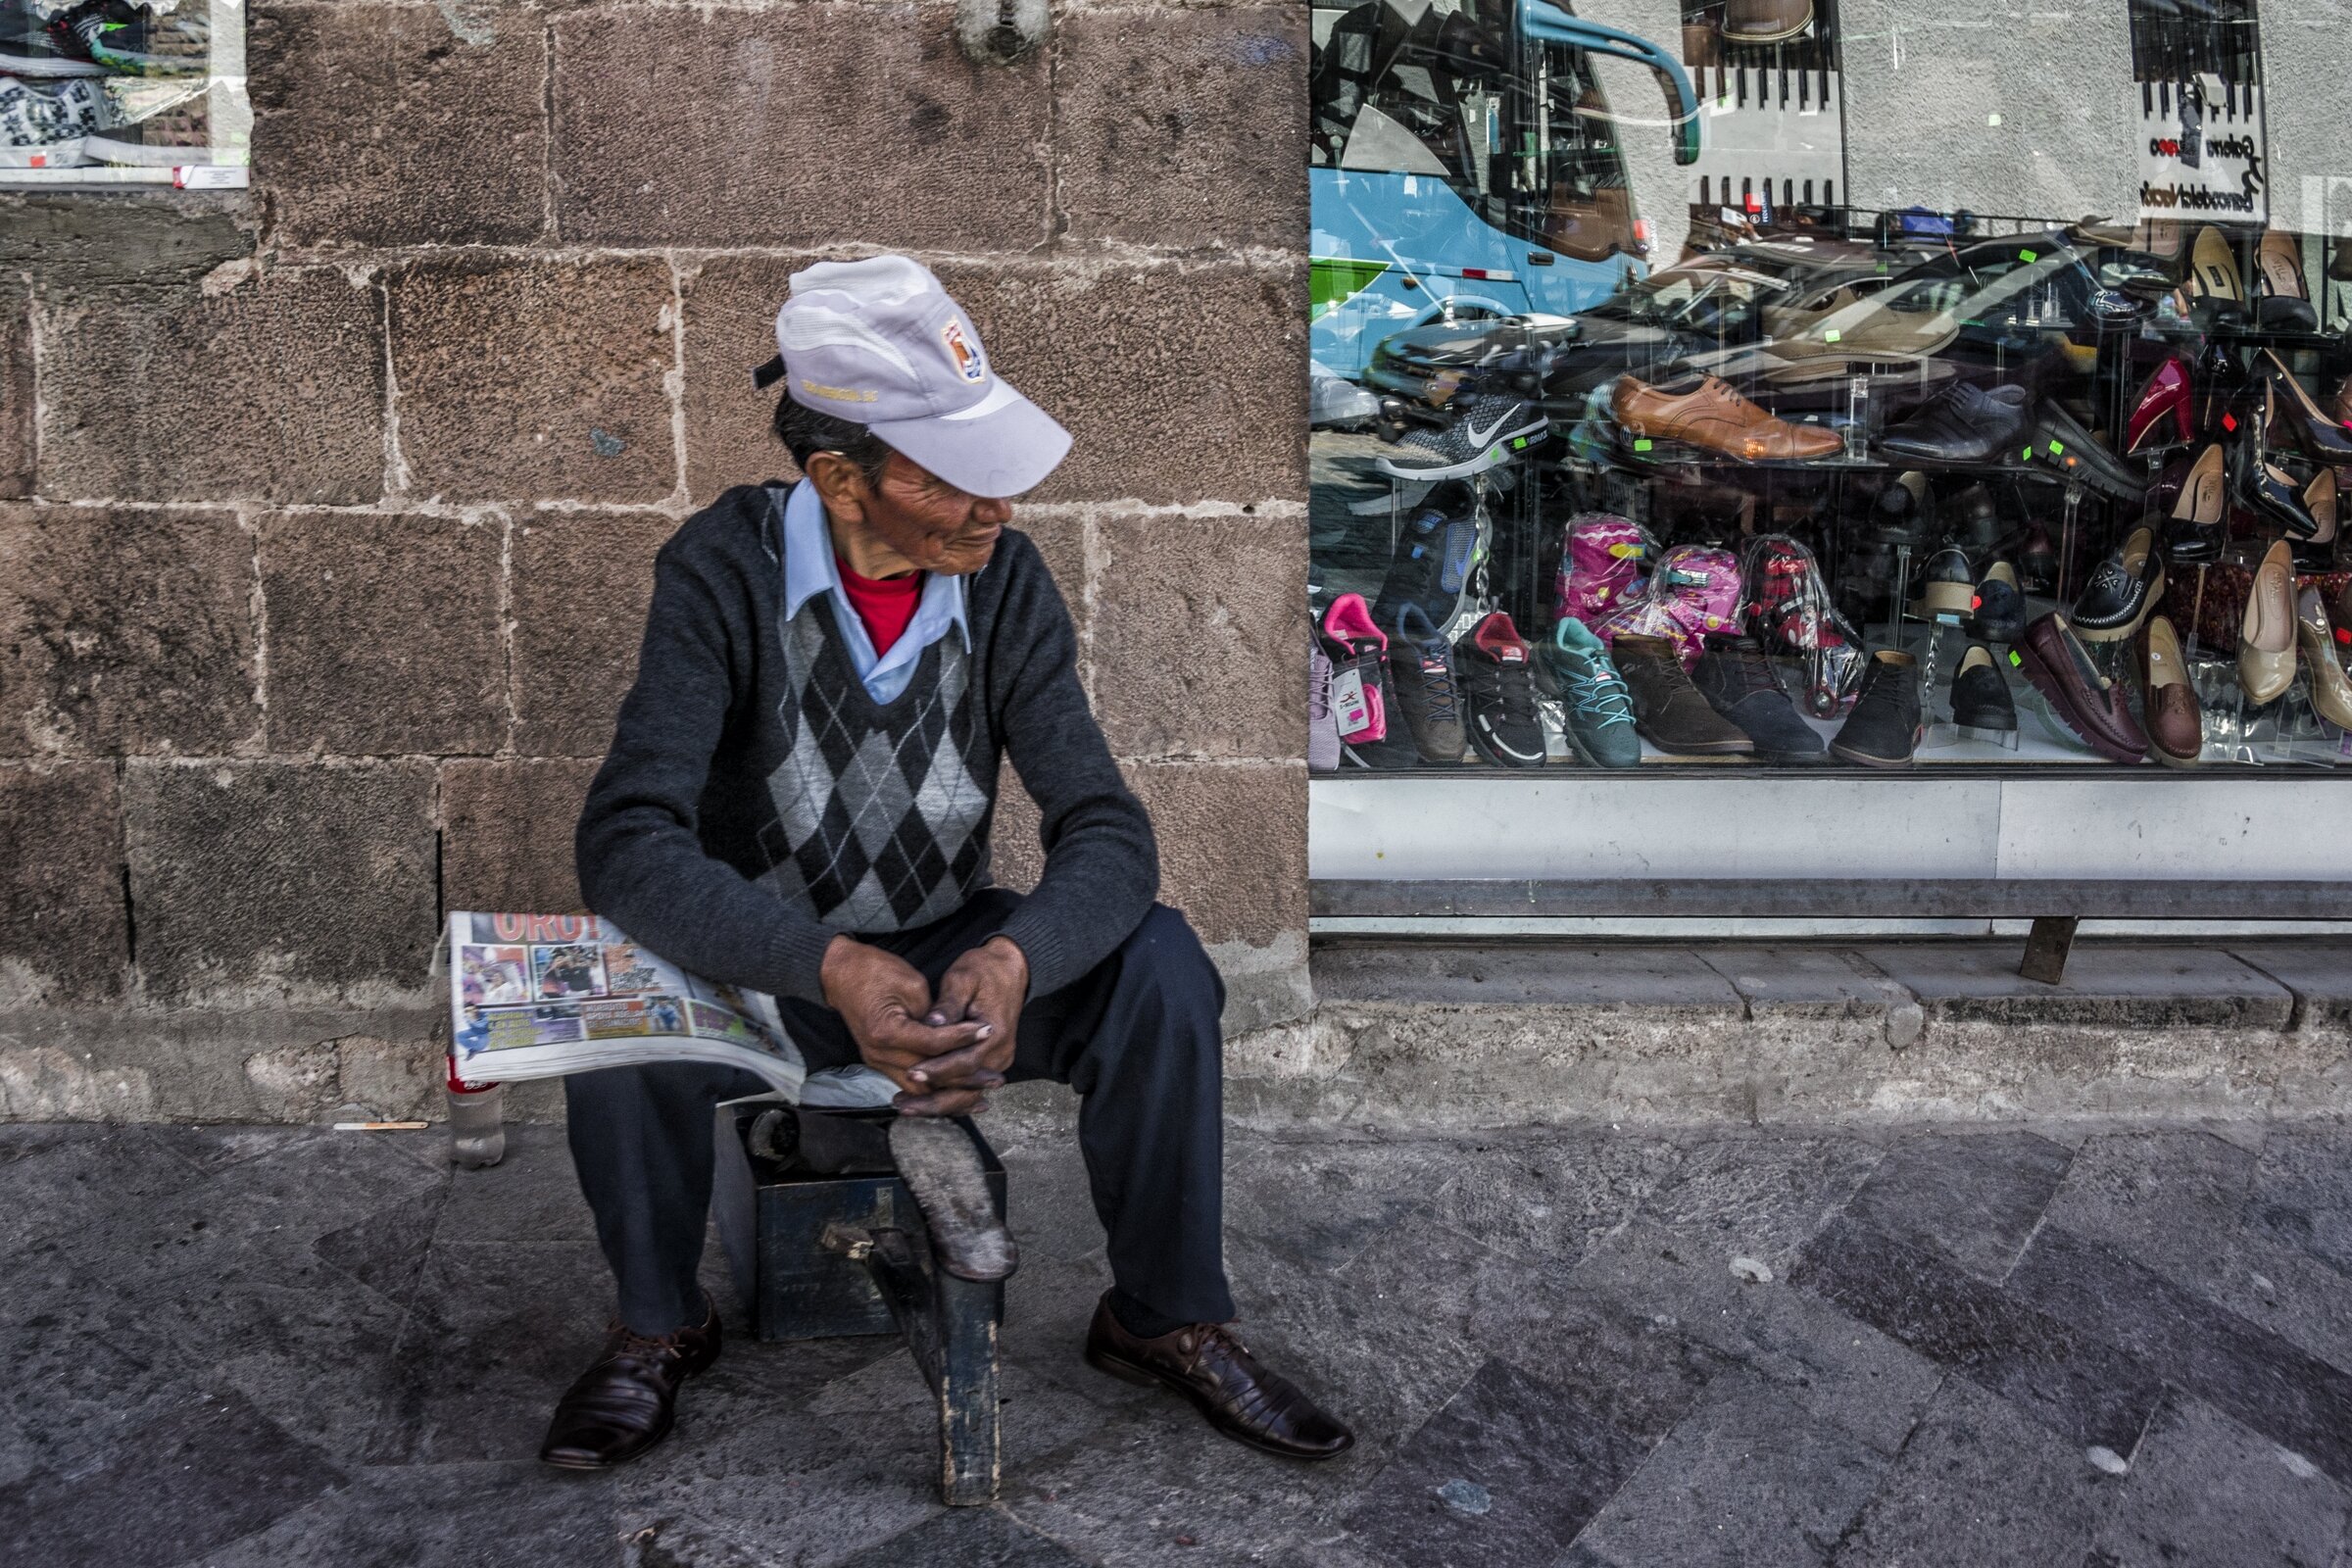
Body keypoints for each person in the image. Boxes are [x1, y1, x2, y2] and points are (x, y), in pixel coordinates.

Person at [544, 256, 1354, 1470]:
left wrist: (1018, 957)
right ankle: (659, 1325)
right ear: (840, 479)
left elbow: (1107, 826)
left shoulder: (1005, 585)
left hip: (941, 954)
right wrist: (825, 964)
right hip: (771, 965)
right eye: (959, 480)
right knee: (614, 999)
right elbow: (626, 839)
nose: (998, 508)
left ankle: (1161, 1315)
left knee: (1162, 966)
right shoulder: (722, 569)